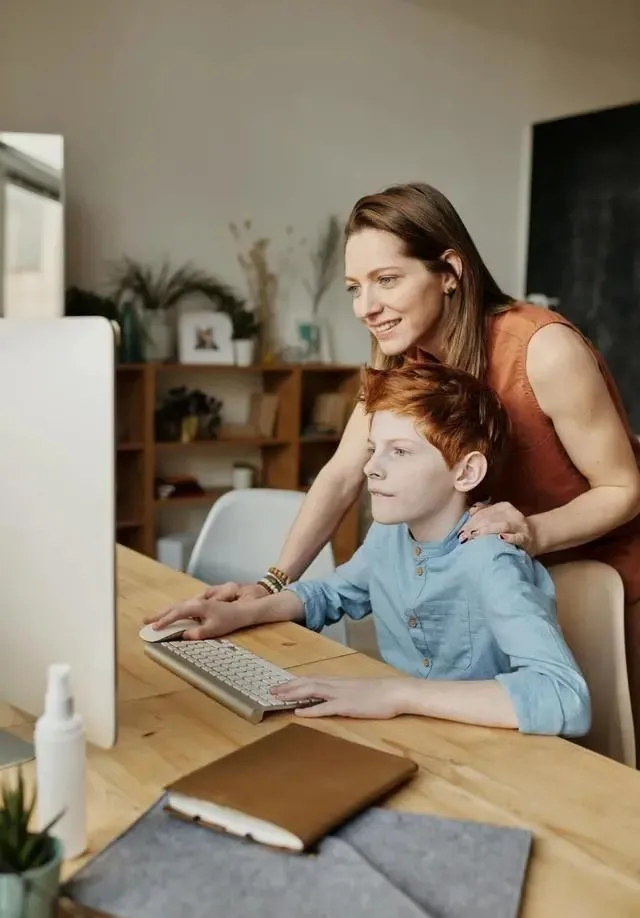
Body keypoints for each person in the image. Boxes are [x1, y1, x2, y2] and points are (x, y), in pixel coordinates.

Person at [203, 182, 640, 756]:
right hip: (498, 580)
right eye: (356, 288)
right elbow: (340, 474)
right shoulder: (401, 357)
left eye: (387, 280)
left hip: (597, 579)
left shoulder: (544, 348)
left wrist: (535, 532)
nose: (366, 307)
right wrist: (268, 586)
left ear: (450, 271)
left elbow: (623, 488)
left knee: (604, 763)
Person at [147, 363, 590, 736]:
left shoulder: (490, 559)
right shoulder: (390, 536)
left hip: (492, 752)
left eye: (399, 452)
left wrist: (397, 692)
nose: (371, 468)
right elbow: (334, 592)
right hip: (416, 733)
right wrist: (245, 611)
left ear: (466, 471)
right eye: (374, 448)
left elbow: (563, 696)